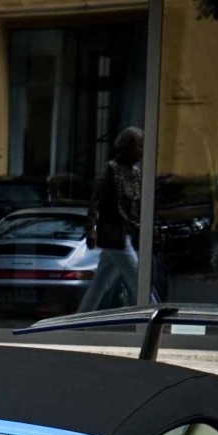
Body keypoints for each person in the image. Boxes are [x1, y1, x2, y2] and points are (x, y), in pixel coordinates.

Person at [78, 127, 142, 312]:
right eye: (138, 145)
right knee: (139, 281)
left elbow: (137, 205)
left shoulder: (136, 173)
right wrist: (91, 229)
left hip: (127, 233)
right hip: (115, 235)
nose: (142, 150)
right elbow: (96, 200)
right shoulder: (111, 169)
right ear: (126, 147)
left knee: (100, 283)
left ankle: (79, 320)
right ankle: (159, 319)